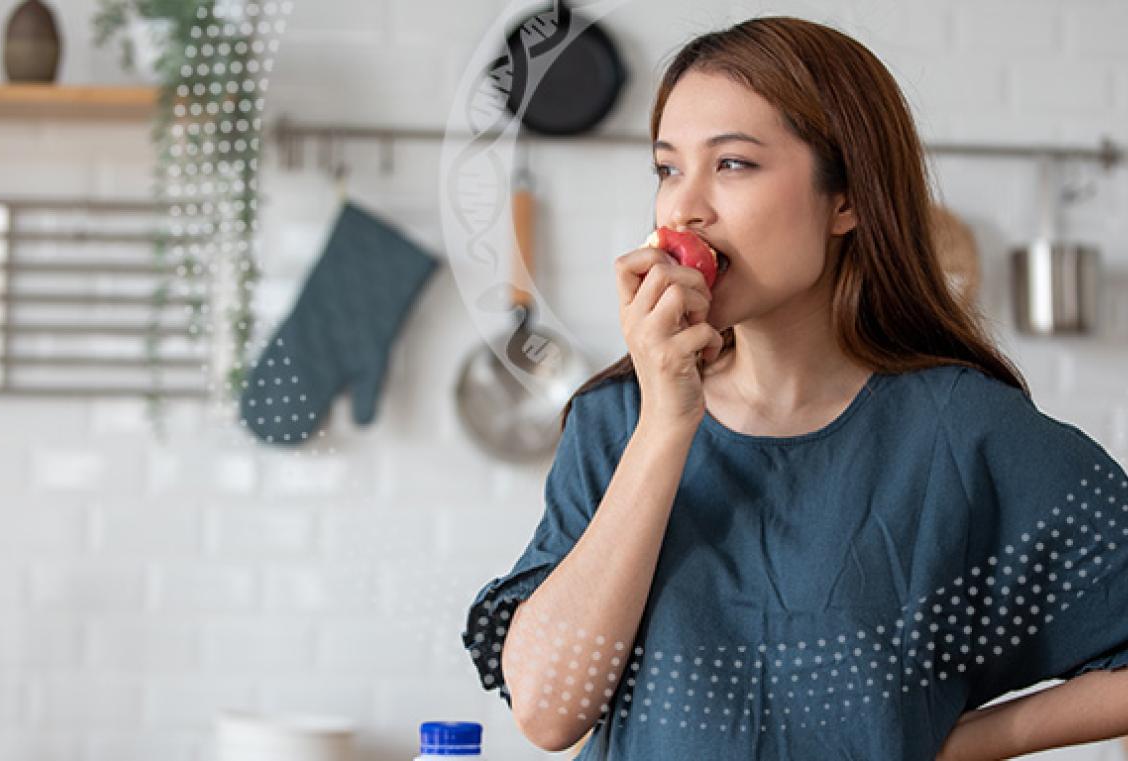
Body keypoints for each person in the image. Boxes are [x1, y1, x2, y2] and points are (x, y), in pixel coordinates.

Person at [461, 15, 1128, 760]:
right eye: (667, 168)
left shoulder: (963, 431)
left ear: (847, 201)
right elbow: (550, 714)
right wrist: (665, 423)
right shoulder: (617, 419)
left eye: (734, 164)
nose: (685, 207)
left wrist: (954, 742)